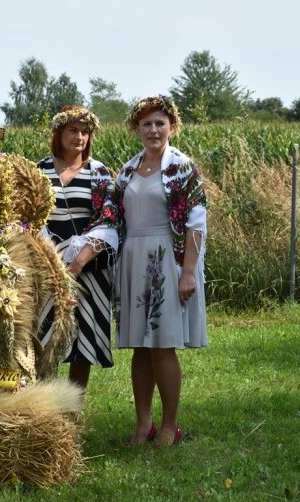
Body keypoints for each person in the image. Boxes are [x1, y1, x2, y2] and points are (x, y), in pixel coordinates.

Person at [113, 95, 208, 449]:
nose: (153, 130)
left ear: (171, 127)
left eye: (159, 123)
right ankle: (143, 424)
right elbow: (114, 218)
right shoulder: (126, 171)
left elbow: (196, 221)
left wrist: (188, 272)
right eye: (146, 124)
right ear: (135, 128)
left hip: (168, 259)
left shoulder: (182, 167)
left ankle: (170, 425)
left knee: (163, 345)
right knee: (140, 345)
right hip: (135, 258)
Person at [37, 104, 117, 391]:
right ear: (59, 132)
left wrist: (76, 265)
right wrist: (53, 267)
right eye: (73, 130)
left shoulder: (99, 173)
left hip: (88, 268)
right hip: (46, 268)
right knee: (42, 337)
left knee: (82, 341)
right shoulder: (40, 170)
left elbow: (108, 221)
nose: (80, 137)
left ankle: (73, 408)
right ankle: (44, 405)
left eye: (85, 132)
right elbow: (27, 219)